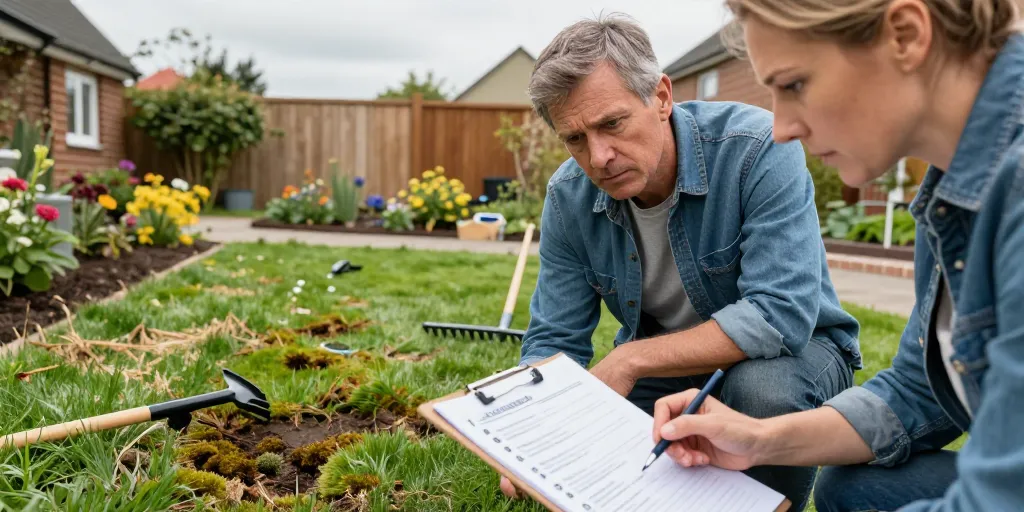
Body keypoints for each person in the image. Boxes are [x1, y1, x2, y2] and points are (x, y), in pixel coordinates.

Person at [650, 1, 1024, 511]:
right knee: (855, 490)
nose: (780, 129)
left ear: (906, 35)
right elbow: (918, 391)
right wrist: (759, 438)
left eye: (795, 84)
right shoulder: (955, 192)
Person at [503, 13, 862, 511]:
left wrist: (630, 358)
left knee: (759, 393)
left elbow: (780, 314)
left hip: (798, 353)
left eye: (612, 123)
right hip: (665, 363)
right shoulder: (568, 195)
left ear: (661, 96)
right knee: (594, 450)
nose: (599, 156)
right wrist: (530, 431)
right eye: (575, 138)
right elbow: (555, 338)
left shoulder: (758, 148)